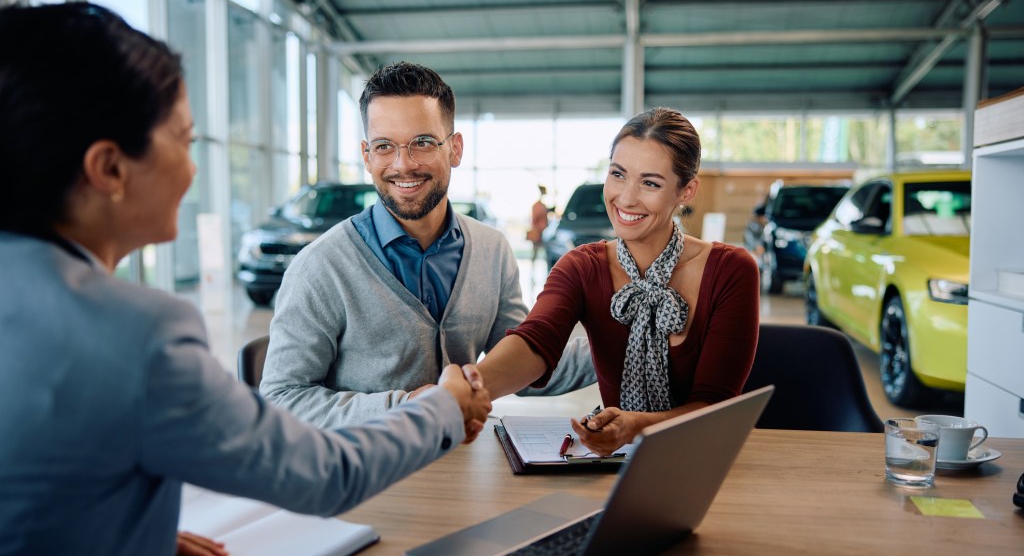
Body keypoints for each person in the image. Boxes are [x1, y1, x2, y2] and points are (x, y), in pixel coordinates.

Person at [0, 2, 490, 556]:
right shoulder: (138, 332)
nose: (195, 168)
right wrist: (444, 408)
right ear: (110, 169)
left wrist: (103, 527)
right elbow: (321, 476)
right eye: (184, 140)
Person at [261, 61, 594, 428]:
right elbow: (281, 399)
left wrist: (631, 341)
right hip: (367, 474)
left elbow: (526, 362)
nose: (404, 164)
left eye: (423, 142)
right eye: (384, 146)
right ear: (367, 155)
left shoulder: (491, 252)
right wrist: (407, 407)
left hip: (460, 466)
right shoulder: (320, 267)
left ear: (455, 149)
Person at [474, 107, 760, 455]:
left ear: (686, 191)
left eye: (650, 183)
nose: (625, 197)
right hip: (617, 462)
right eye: (618, 174)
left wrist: (637, 426)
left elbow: (715, 406)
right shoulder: (581, 266)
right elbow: (535, 342)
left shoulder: (731, 271)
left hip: (707, 457)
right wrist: (469, 389)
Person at [527, 184, 550, 266]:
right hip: (538, 232)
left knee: (546, 253)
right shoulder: (537, 206)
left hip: (544, 232)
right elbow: (535, 219)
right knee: (535, 252)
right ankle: (532, 271)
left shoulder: (542, 205)